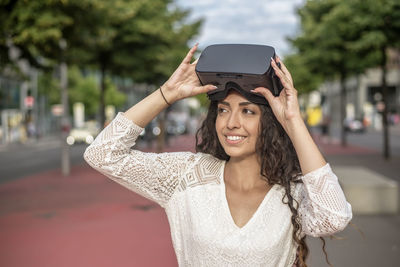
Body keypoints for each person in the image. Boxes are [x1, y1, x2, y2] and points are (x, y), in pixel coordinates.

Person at [84, 44, 352, 267]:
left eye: (248, 111)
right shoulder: (187, 175)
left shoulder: (292, 192)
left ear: (270, 123)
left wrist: (292, 121)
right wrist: (167, 94)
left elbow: (334, 216)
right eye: (223, 110)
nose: (231, 123)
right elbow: (102, 154)